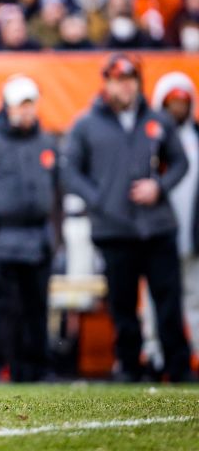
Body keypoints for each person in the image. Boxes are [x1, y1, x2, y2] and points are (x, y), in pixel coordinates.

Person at [61, 54, 192, 382]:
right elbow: (69, 170)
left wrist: (158, 187)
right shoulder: (86, 124)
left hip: (157, 225)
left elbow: (180, 163)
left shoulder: (156, 121)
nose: (126, 86)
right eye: (119, 80)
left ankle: (177, 366)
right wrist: (98, 199)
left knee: (168, 300)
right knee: (122, 304)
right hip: (114, 228)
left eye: (131, 79)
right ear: (106, 82)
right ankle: (129, 366)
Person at [0, 75, 60, 382]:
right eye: (21, 105)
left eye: (31, 104)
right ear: (8, 106)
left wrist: (53, 235)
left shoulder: (46, 143)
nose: (27, 111)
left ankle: (33, 370)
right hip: (1, 238)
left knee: (36, 309)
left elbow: (56, 190)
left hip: (36, 238)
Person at [150, 72, 199, 362]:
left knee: (194, 295)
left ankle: (193, 354)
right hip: (159, 231)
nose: (178, 109)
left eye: (184, 102)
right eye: (172, 102)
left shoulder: (196, 136)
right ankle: (154, 353)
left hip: (192, 232)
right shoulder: (150, 137)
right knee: (157, 298)